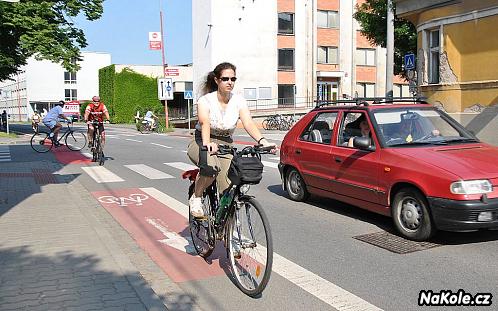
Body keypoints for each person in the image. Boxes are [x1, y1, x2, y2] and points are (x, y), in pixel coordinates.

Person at [187, 62, 276, 218]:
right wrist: (207, 143)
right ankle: (197, 197)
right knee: (211, 167)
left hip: (225, 143)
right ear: (216, 80)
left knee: (229, 188)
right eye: (225, 78)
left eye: (233, 79)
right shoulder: (206, 100)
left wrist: (263, 140)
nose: (230, 82)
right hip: (203, 140)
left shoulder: (238, 101)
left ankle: (224, 227)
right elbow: (204, 122)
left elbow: (248, 122)